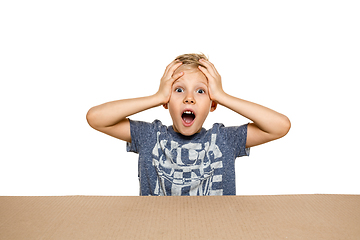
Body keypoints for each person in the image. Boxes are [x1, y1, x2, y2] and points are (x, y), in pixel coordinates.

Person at [86, 53, 291, 196]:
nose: (189, 98)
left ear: (213, 105)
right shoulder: (150, 136)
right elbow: (96, 118)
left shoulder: (224, 139)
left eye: (201, 91)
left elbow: (280, 126)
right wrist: (157, 96)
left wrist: (221, 95)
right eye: (179, 90)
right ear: (166, 101)